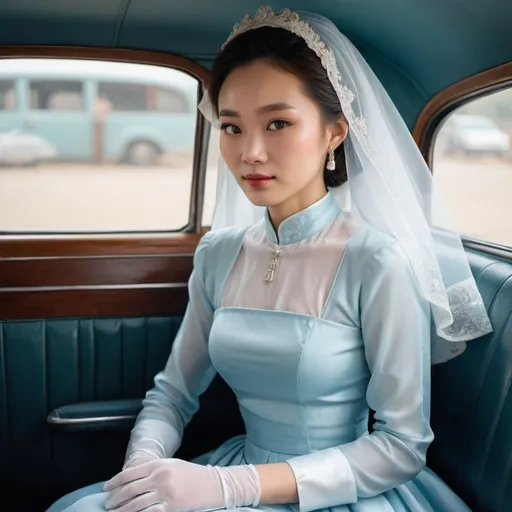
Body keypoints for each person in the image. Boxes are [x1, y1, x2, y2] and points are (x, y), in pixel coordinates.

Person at [46, 6, 493, 512]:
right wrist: (143, 472)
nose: (250, 152)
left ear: (334, 133)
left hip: (334, 489)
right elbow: (171, 394)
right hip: (226, 470)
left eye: (278, 123)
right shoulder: (218, 253)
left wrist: (234, 488)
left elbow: (402, 446)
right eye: (232, 127)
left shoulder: (376, 262)